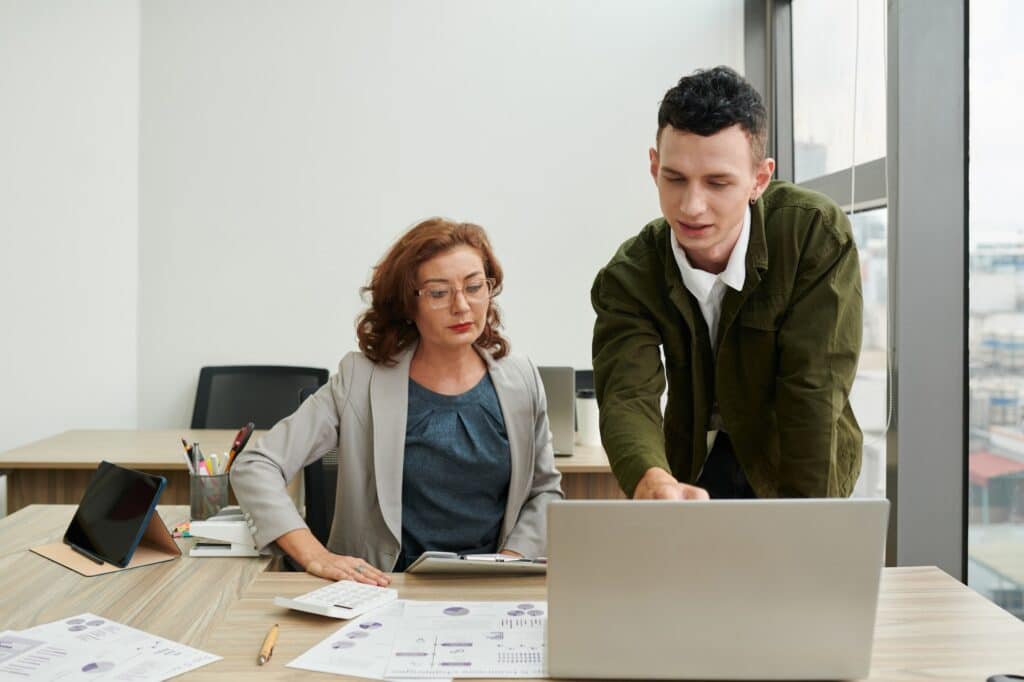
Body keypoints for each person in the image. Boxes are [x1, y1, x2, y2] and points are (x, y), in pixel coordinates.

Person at [231, 218, 564, 585]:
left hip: (490, 587)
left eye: (474, 287)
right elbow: (256, 465)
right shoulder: (361, 379)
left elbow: (544, 491)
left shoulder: (521, 378)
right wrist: (315, 555)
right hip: (386, 589)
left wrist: (509, 561)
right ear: (409, 303)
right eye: (439, 293)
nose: (462, 306)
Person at [591, 66, 862, 501]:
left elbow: (814, 390)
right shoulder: (629, 274)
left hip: (796, 463)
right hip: (691, 468)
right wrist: (652, 480)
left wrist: (811, 520)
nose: (692, 206)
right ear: (654, 166)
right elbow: (627, 394)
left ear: (760, 179)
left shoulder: (812, 235)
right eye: (674, 178)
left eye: (718, 183)